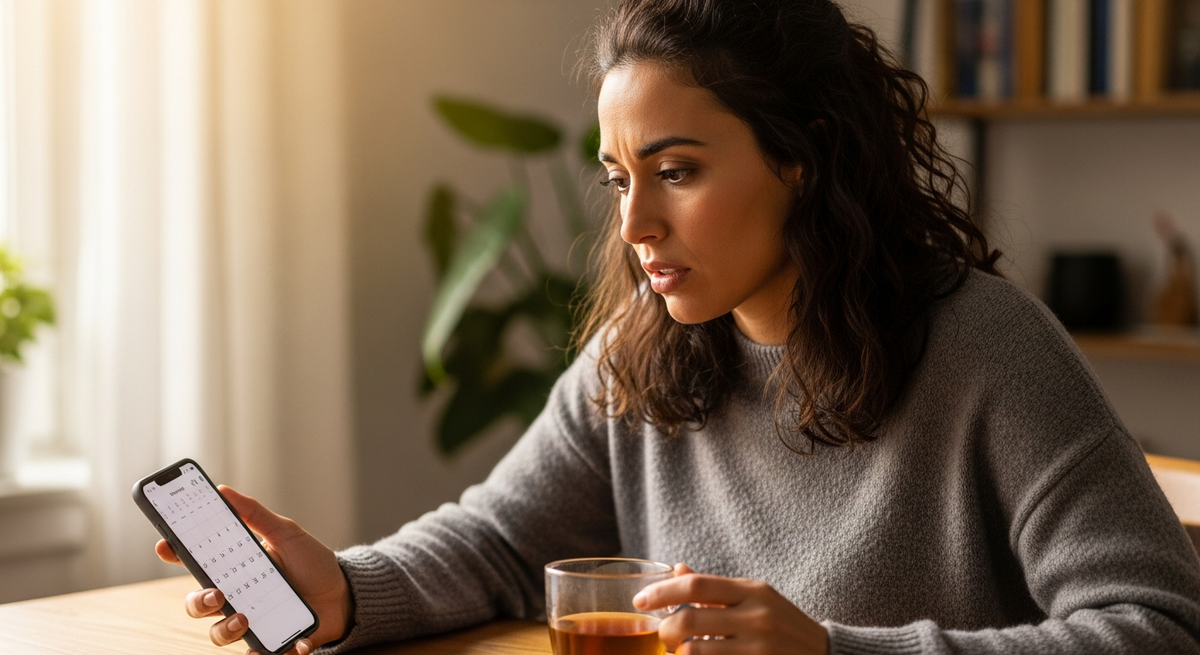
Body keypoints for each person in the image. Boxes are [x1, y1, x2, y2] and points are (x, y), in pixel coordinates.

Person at [155, 1, 1200, 653]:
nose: (635, 224)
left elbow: (1155, 626)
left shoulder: (987, 349)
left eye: (679, 171)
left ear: (804, 158)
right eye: (619, 178)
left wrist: (836, 653)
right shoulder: (643, 350)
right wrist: (346, 586)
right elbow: (503, 541)